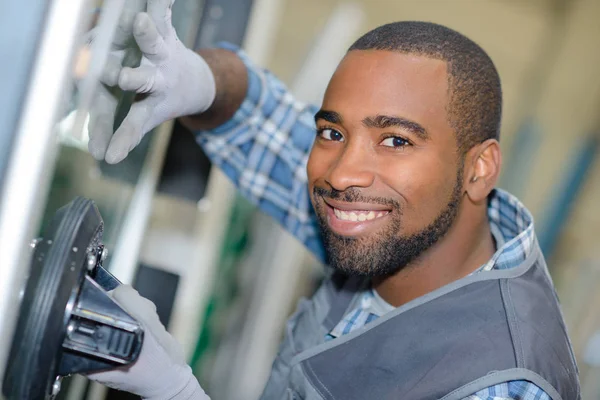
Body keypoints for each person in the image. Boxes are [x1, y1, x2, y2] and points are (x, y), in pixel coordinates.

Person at [87, 1, 580, 399]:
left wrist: (174, 391)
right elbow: (264, 122)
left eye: (396, 140)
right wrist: (201, 81)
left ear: (479, 168)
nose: (343, 173)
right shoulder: (406, 230)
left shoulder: (496, 383)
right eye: (332, 130)